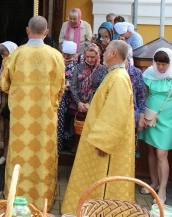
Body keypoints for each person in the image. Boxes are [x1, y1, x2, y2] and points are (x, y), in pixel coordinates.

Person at [61, 40, 135, 215]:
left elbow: (116, 113)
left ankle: (100, 211)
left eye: (107, 50)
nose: (104, 52)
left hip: (104, 146)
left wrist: (104, 142)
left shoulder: (118, 78)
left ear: (114, 54)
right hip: (96, 139)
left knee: (103, 181)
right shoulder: (114, 75)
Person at [0, 16, 65, 211]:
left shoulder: (17, 55)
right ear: (46, 32)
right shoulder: (55, 56)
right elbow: (61, 87)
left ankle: (16, 196)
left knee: (20, 156)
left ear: (28, 30)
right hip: (45, 117)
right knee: (42, 155)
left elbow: (3, 83)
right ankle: (43, 199)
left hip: (21, 119)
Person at [138, 48, 172, 204]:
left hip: (168, 120)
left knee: (161, 154)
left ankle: (163, 189)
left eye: (164, 64)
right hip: (150, 117)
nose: (161, 67)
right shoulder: (148, 74)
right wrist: (142, 115)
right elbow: (142, 95)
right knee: (151, 150)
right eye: (158, 63)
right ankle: (154, 183)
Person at [69, 43, 107, 151]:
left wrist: (90, 103)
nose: (89, 59)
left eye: (92, 57)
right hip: (78, 105)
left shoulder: (103, 69)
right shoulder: (78, 68)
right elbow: (73, 86)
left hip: (94, 105)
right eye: (87, 56)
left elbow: (100, 89)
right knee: (78, 132)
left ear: (98, 56)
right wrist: (79, 102)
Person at [0, 41, 18, 166]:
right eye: (3, 55)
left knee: (13, 129)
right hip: (4, 100)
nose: (4, 58)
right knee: (5, 129)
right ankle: (5, 154)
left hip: (14, 100)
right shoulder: (4, 63)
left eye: (6, 55)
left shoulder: (17, 64)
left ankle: (12, 155)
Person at [57, 41, 79, 154]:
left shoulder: (76, 66)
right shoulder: (58, 63)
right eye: (64, 54)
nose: (66, 57)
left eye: (69, 55)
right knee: (59, 122)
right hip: (59, 97)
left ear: (75, 55)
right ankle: (58, 147)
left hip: (71, 98)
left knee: (69, 123)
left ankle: (68, 145)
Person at [125, 45, 145, 158]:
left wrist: (141, 117)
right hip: (115, 118)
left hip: (133, 117)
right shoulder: (110, 71)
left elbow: (141, 96)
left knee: (131, 151)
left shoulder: (136, 73)